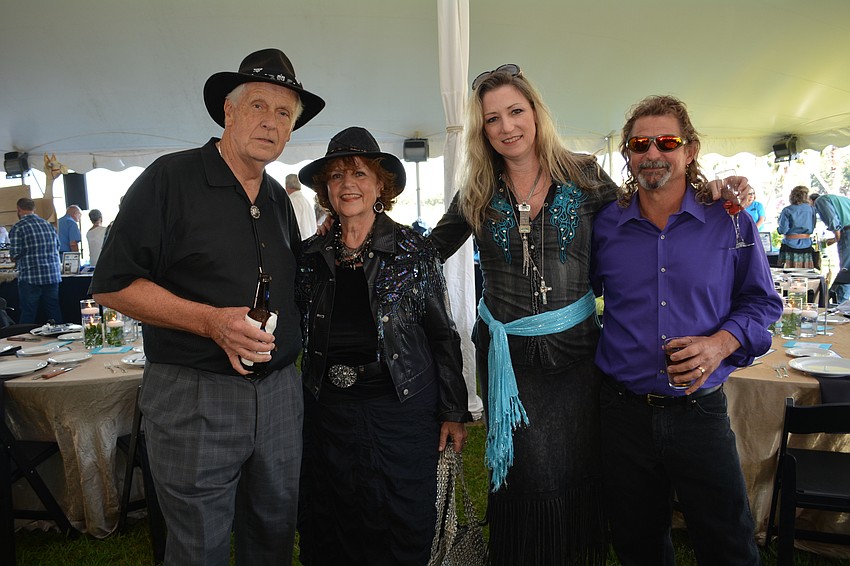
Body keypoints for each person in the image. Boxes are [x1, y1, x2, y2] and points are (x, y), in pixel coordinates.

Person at [91, 48, 325, 565]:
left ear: (291, 131)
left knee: (273, 531)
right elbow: (112, 285)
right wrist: (210, 322)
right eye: (259, 106)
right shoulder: (168, 180)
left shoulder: (278, 198)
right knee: (199, 546)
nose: (271, 122)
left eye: (284, 114)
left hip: (280, 395)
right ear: (229, 111)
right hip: (195, 396)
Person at [428, 63, 619, 565]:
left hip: (577, 356)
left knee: (576, 469)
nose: (507, 127)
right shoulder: (477, 192)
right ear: (482, 130)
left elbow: (643, 221)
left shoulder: (585, 175)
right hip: (509, 363)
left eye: (516, 111)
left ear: (536, 112)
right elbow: (428, 251)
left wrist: (708, 192)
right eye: (493, 119)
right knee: (525, 475)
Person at [591, 94, 783, 566]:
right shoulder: (605, 225)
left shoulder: (730, 220)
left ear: (690, 150)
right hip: (622, 414)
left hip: (698, 413)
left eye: (667, 141)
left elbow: (762, 303)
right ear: (627, 154)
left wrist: (721, 344)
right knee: (637, 544)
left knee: (728, 542)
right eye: (640, 143)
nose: (652, 153)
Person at [295, 127, 470, 566]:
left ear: (380, 186)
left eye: (358, 173)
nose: (347, 184)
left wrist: (452, 410)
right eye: (336, 176)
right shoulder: (311, 256)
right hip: (329, 412)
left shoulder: (413, 249)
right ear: (325, 190)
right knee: (334, 517)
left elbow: (442, 334)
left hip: (401, 410)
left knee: (403, 518)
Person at [9, 197, 63, 324]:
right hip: (52, 275)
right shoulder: (48, 225)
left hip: (31, 277)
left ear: (19, 209)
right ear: (34, 209)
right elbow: (58, 247)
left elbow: (15, 254)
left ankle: (25, 341)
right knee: (54, 310)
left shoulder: (18, 227)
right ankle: (61, 337)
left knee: (28, 312)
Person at [811, 192, 850, 303]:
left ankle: (840, 302)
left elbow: (832, 218)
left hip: (847, 232)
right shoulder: (839, 198)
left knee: (846, 270)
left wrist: (837, 236)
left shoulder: (820, 201)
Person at [777, 185, 817, 269]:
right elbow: (813, 226)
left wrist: (779, 230)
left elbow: (783, 229)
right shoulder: (811, 209)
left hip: (790, 244)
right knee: (806, 273)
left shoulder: (787, 210)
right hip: (806, 244)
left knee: (787, 274)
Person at [284, 173, 318, 237]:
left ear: (286, 185)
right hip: (311, 241)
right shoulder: (306, 201)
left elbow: (292, 227)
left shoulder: (292, 202)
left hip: (300, 243)